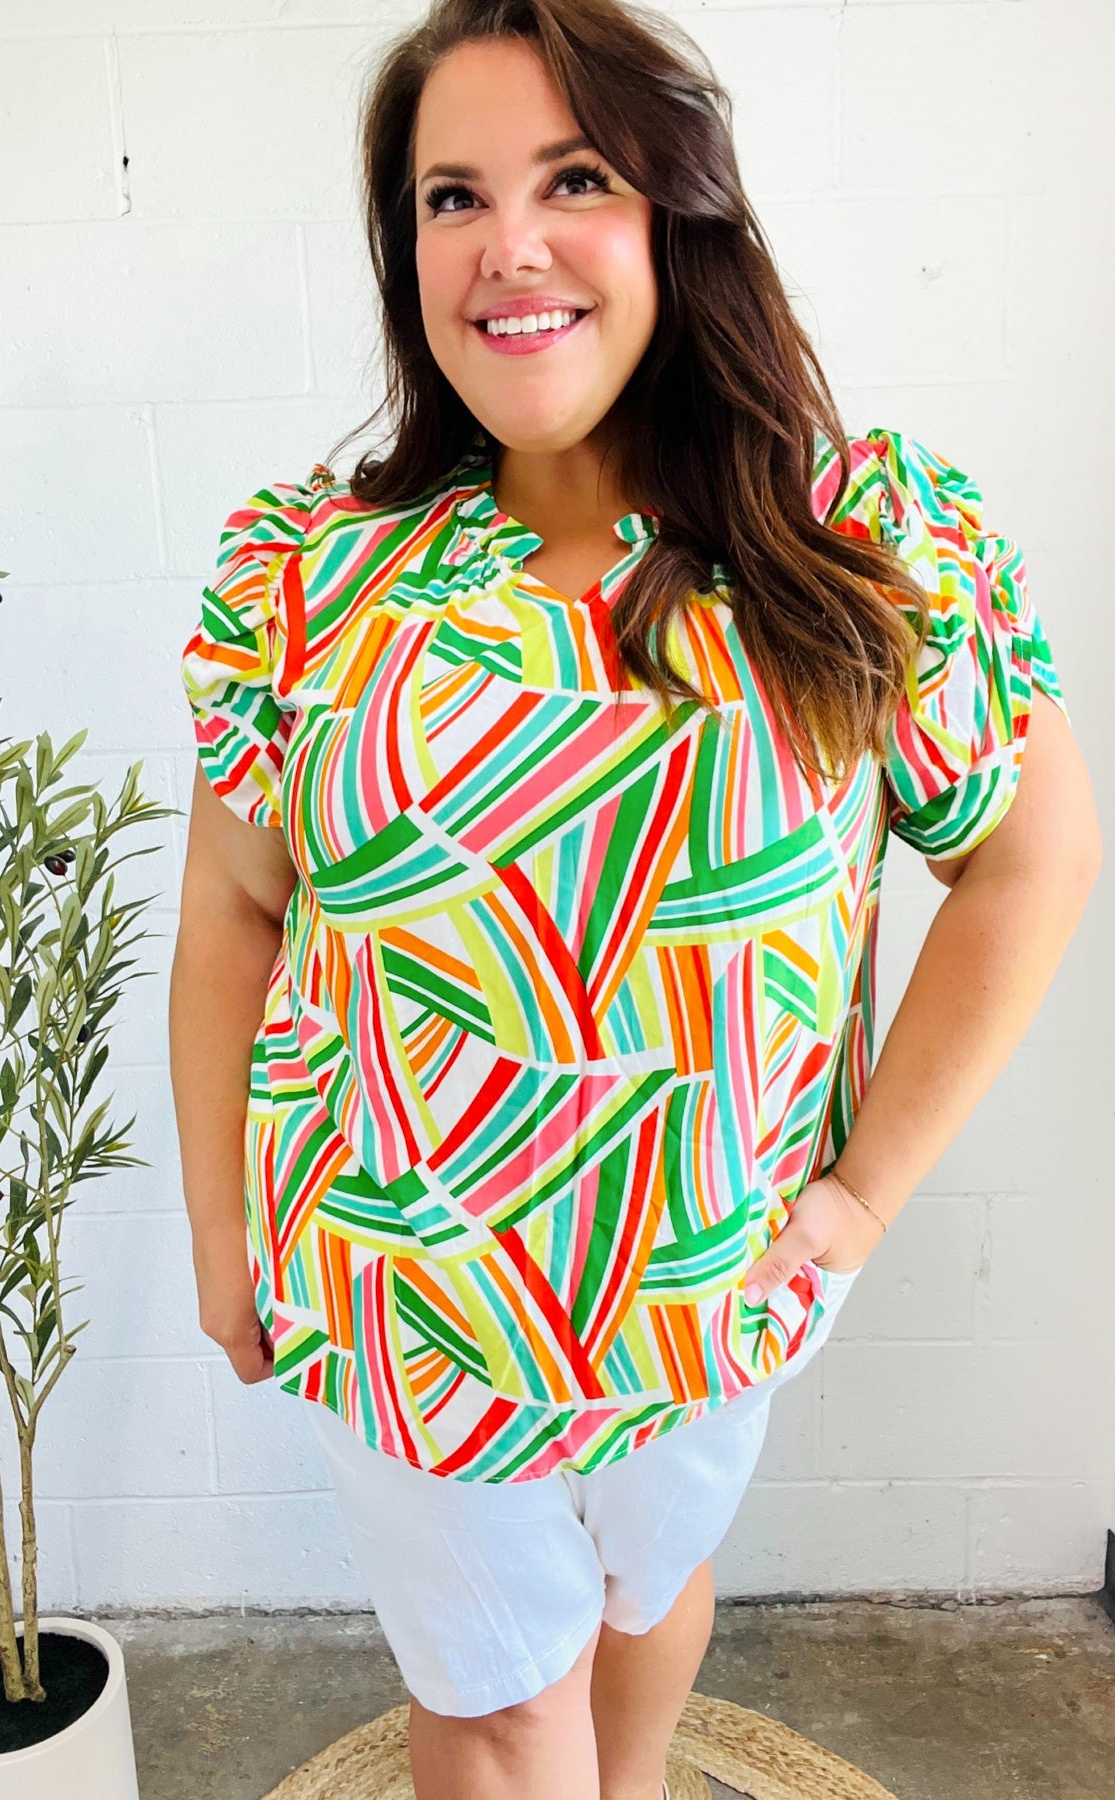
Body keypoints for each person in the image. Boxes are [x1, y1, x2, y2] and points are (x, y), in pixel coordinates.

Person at [168, 4, 1101, 1797]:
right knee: (503, 1702)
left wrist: (858, 1201)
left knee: (646, 1586)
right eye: (453, 196)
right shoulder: (312, 573)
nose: (507, 243)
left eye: (575, 179)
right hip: (401, 1289)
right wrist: (223, 1230)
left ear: (681, 210)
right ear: (406, 250)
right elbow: (233, 906)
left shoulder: (858, 543)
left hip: (719, 1284)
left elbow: (1031, 854)